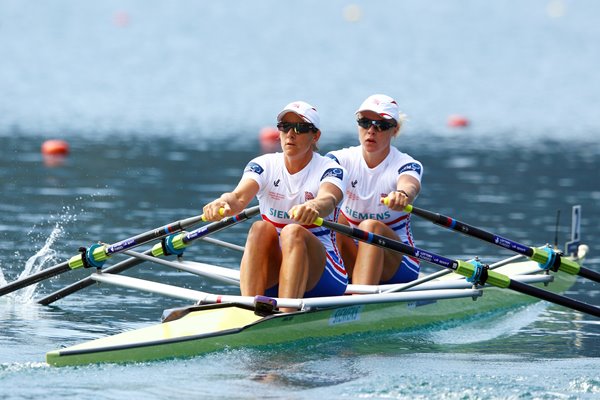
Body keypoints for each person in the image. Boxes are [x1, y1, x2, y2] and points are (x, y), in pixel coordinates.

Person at [202, 101, 348, 311]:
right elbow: (238, 198)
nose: (291, 134)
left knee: (293, 232)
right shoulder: (263, 165)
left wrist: (314, 206)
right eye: (285, 127)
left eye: (300, 128)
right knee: (260, 228)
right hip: (276, 272)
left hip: (324, 277)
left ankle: (286, 315)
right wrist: (222, 202)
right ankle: (249, 310)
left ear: (315, 136)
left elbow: (329, 199)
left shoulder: (331, 169)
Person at [325, 94, 423, 286]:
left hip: (399, 263)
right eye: (365, 122)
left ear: (395, 130)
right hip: (351, 253)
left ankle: (358, 301)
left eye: (381, 125)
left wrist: (402, 195)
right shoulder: (338, 159)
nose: (371, 130)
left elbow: (410, 184)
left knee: (370, 227)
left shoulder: (406, 164)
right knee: (333, 218)